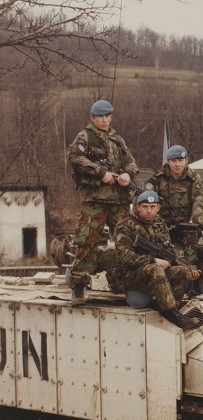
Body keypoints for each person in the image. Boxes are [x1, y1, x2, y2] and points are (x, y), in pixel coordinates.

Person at [67, 99, 140, 305]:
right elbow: (75, 158)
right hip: (96, 199)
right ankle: (78, 287)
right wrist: (101, 173)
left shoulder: (118, 139)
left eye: (108, 116)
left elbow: (132, 162)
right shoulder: (85, 136)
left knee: (127, 242)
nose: (105, 120)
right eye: (101, 116)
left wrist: (127, 173)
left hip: (119, 200)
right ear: (93, 117)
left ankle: (129, 283)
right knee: (87, 240)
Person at [113, 190, 199, 330]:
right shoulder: (125, 225)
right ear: (138, 207)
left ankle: (170, 309)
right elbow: (123, 257)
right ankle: (172, 313)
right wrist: (153, 260)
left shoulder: (159, 223)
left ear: (158, 207)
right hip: (131, 275)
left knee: (182, 271)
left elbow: (168, 250)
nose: (149, 211)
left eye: (152, 207)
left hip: (154, 275)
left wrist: (185, 266)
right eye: (145, 207)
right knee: (156, 269)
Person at [150, 145, 203, 256]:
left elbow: (199, 202)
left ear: (186, 160)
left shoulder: (194, 178)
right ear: (168, 161)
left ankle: (190, 269)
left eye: (180, 160)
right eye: (174, 161)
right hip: (163, 224)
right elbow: (149, 202)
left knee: (193, 247)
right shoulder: (157, 178)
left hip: (186, 224)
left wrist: (194, 222)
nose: (177, 164)